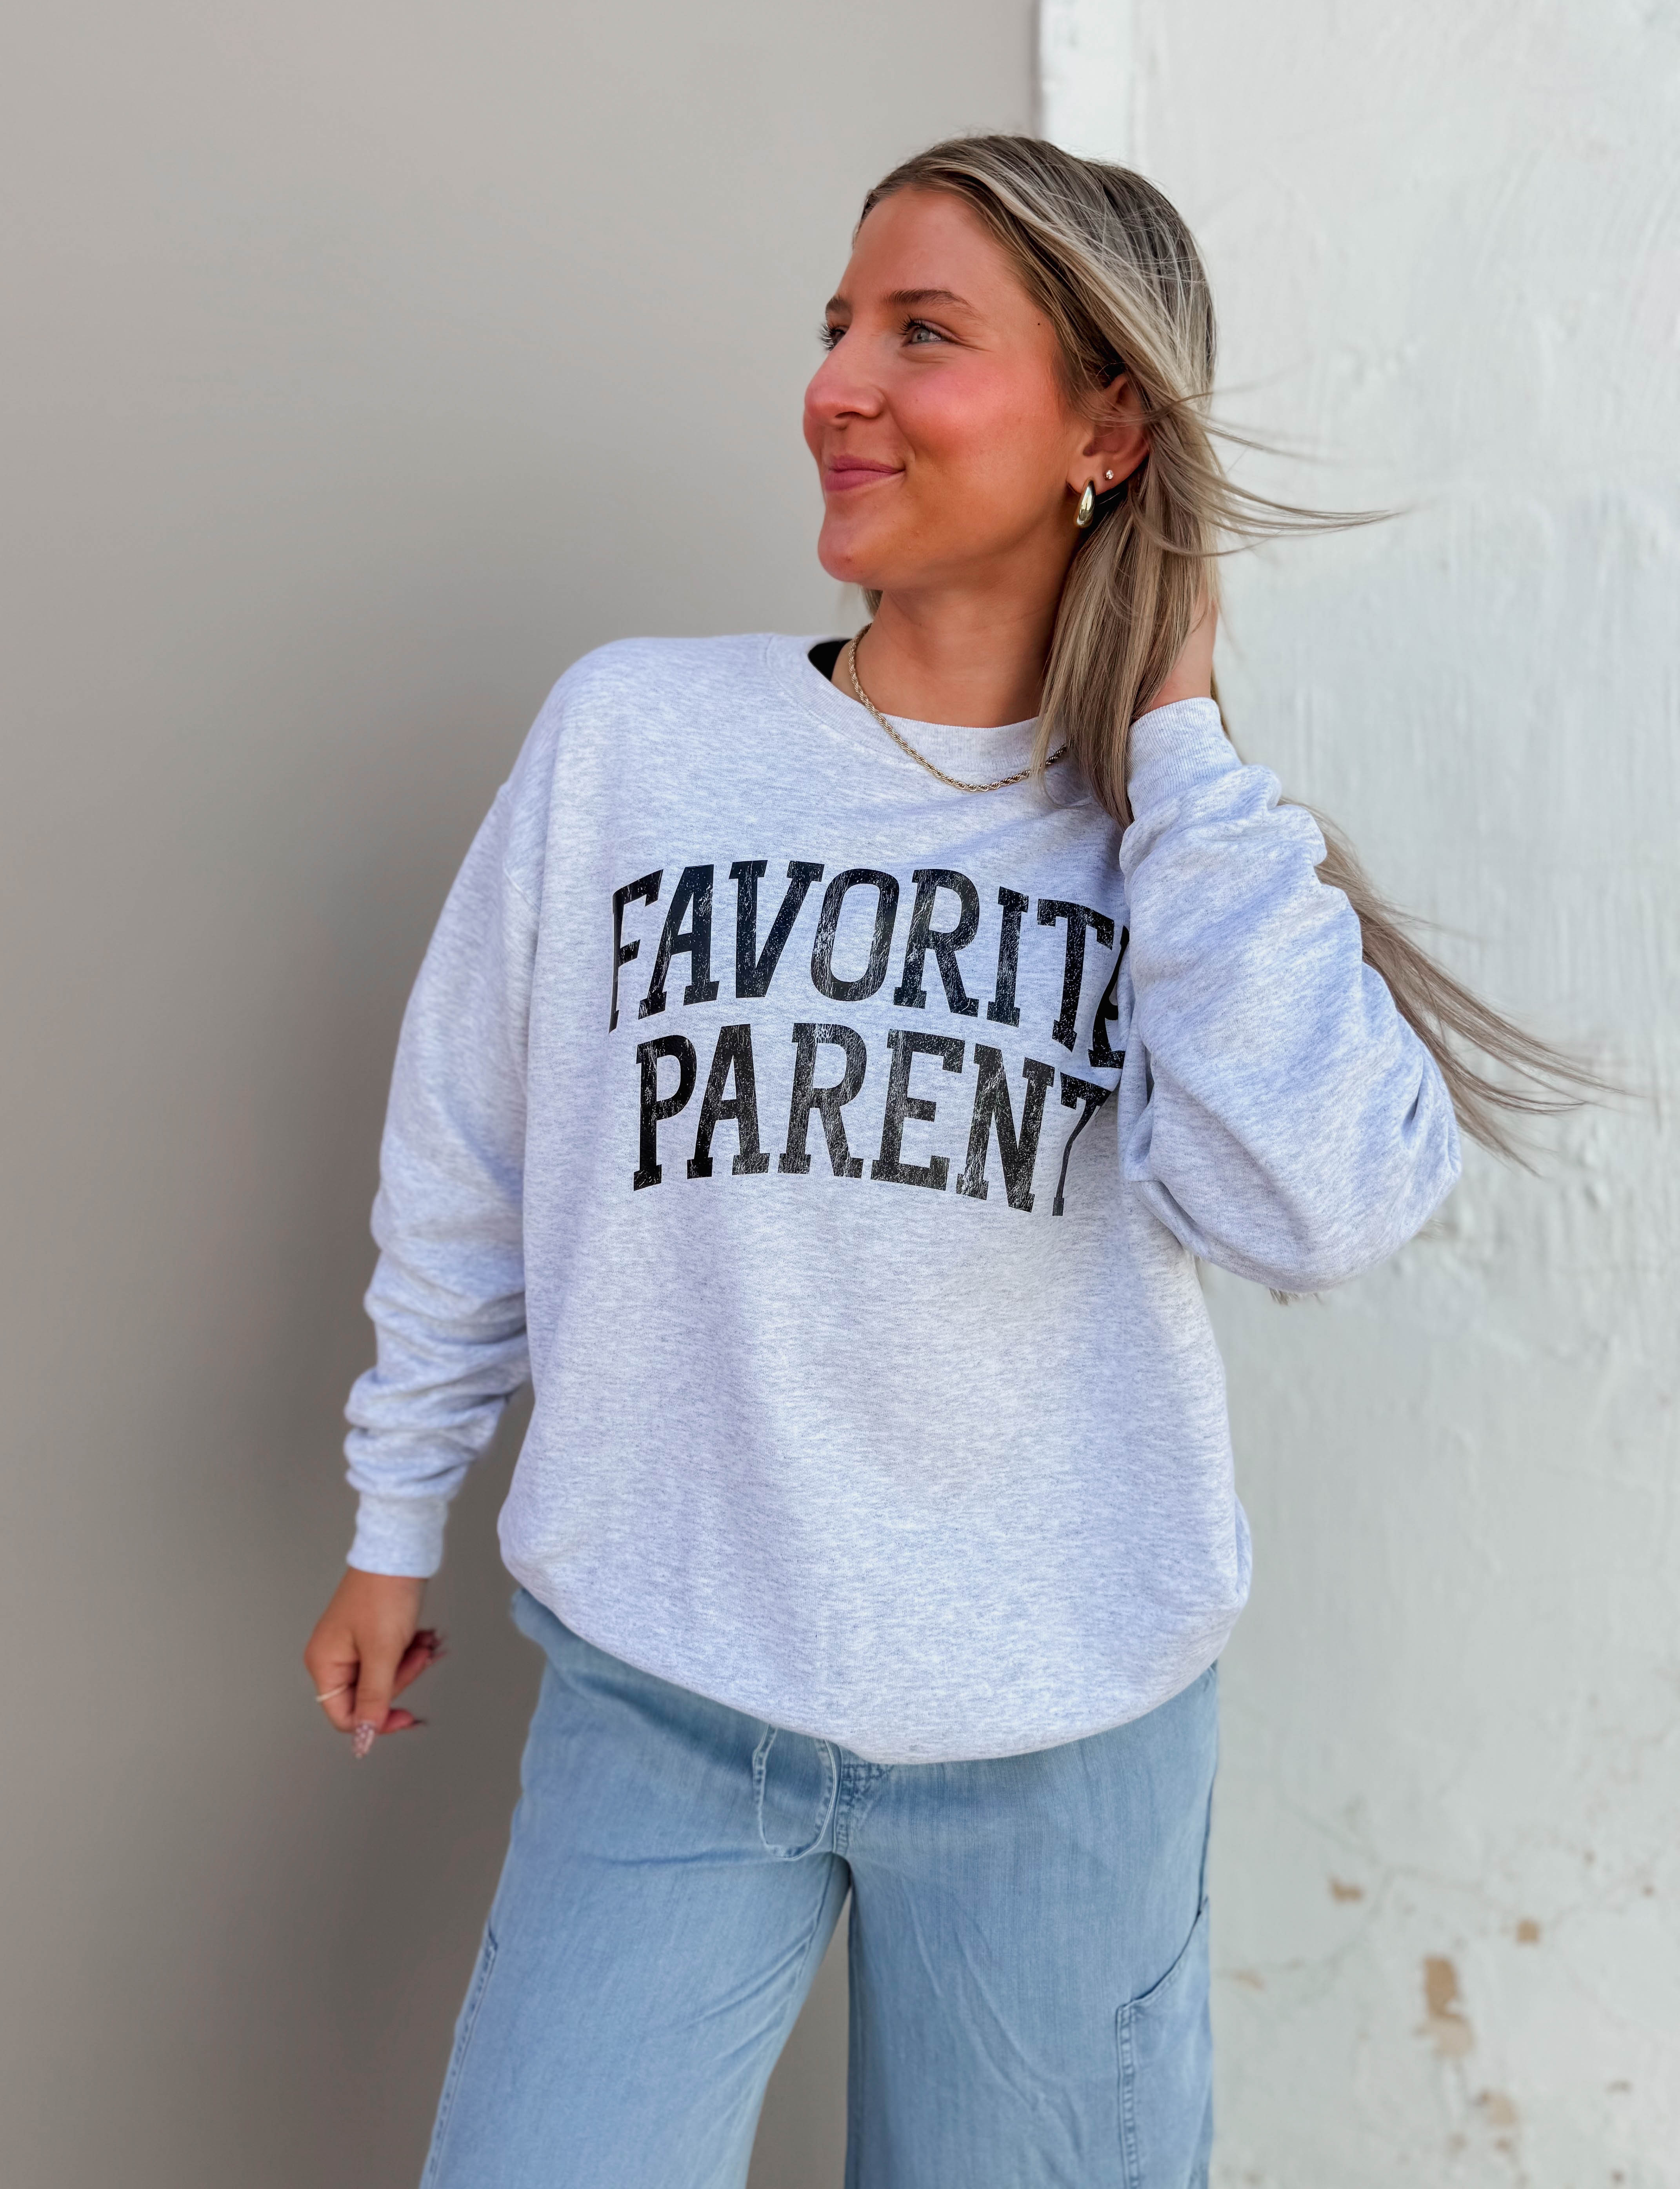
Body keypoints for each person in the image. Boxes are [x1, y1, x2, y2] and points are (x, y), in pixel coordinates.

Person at [304, 136, 1587, 2189]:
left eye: (924, 334)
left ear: (1105, 425)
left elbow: (1325, 1211)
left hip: (1060, 1746)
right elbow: (474, 1143)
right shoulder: (637, 740)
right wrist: (397, 1510)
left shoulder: (1183, 857)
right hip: (665, 1689)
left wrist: (1180, 747)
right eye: (838, 328)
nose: (838, 386)